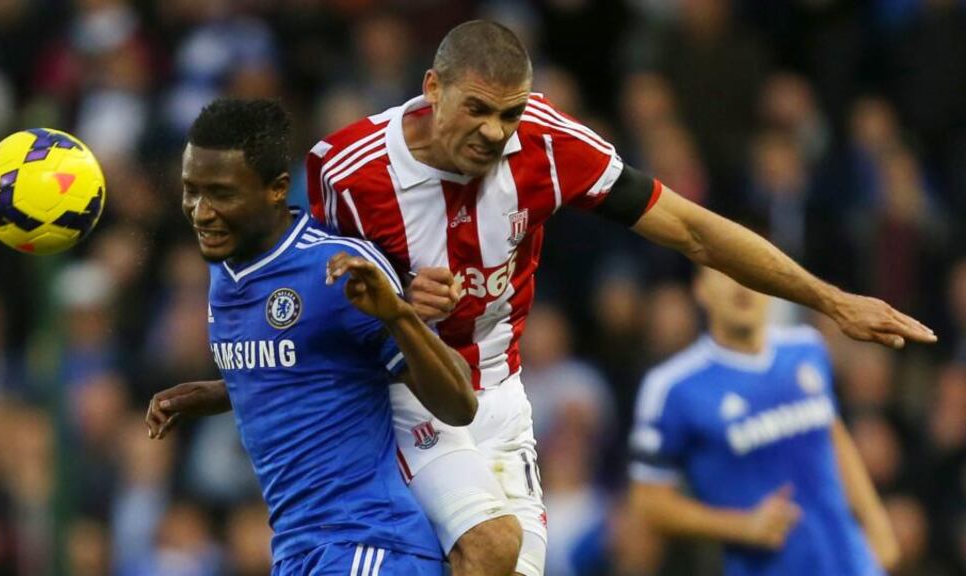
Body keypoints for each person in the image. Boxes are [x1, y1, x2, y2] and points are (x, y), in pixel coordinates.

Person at [153, 21, 934, 576]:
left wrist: (831, 300)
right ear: (432, 91)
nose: (496, 133)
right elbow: (307, 307)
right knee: (487, 549)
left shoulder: (553, 149)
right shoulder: (348, 170)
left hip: (501, 397)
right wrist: (242, 384)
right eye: (478, 111)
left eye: (511, 113)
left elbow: (693, 231)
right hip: (409, 398)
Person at [145, 98, 477, 575]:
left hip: (369, 542)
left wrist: (397, 315)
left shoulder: (334, 269)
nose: (201, 212)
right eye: (191, 191)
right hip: (299, 551)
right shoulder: (225, 269)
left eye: (221, 194)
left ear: (277, 189)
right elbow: (313, 366)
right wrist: (220, 392)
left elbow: (460, 401)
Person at [628, 267, 900, 575]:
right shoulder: (672, 387)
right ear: (700, 288)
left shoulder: (807, 347)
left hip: (851, 564)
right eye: (724, 271)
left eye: (749, 271)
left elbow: (832, 434)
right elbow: (648, 503)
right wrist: (741, 526)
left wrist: (876, 521)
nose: (742, 284)